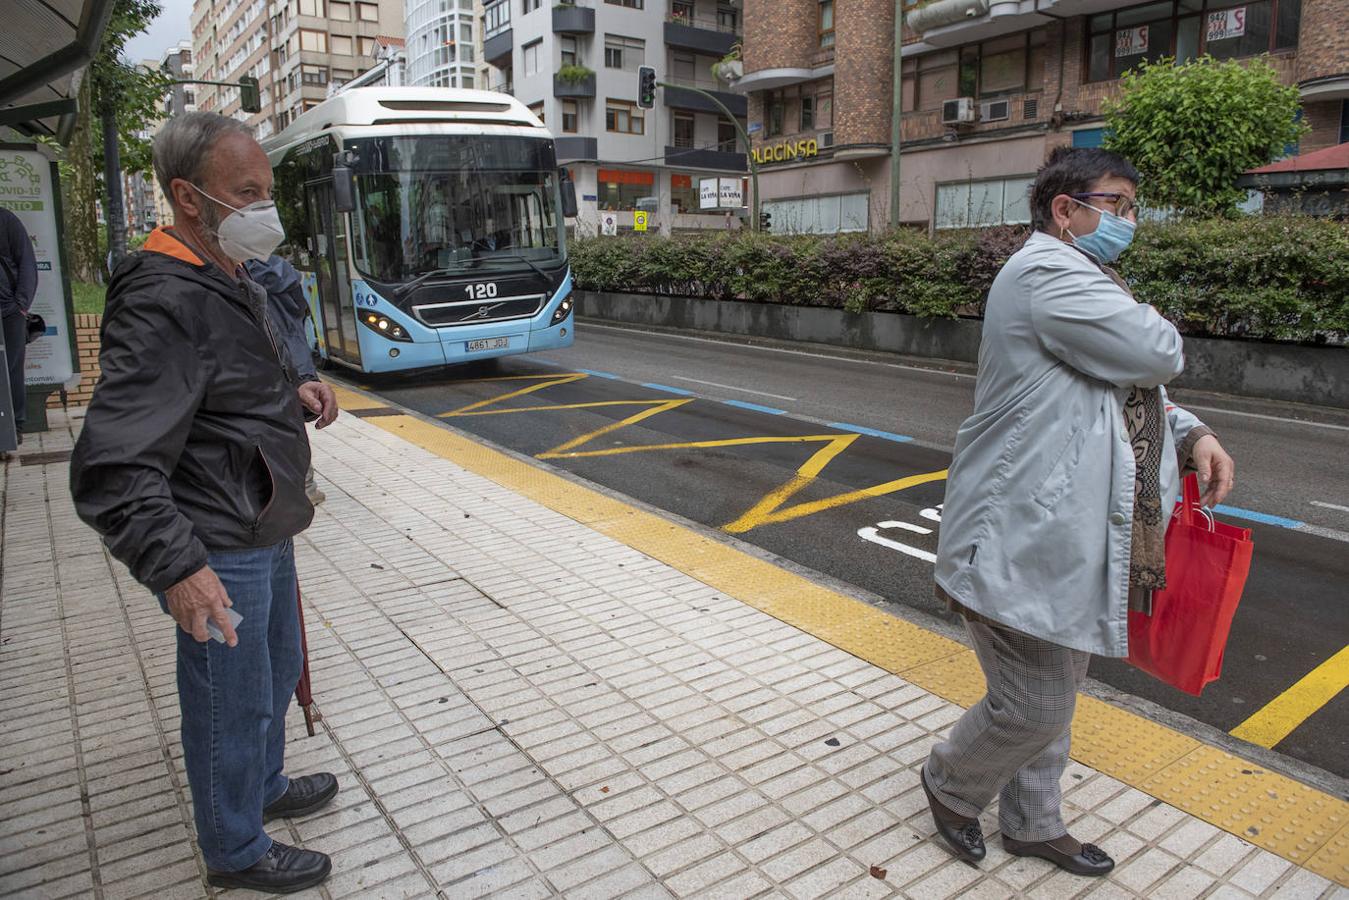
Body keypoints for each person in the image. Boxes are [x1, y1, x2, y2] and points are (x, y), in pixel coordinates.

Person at [921, 147, 1235, 877]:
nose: (1127, 220)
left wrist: (1192, 433)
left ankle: (1031, 822)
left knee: (1055, 689)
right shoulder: (1047, 274)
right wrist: (1147, 316)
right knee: (1031, 704)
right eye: (1116, 204)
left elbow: (1121, 389)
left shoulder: (1082, 278)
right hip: (1019, 532)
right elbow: (1154, 354)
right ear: (1066, 209)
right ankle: (949, 782)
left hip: (1067, 534)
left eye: (1129, 207)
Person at [70, 111, 340, 895]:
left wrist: (291, 389)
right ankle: (234, 847)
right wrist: (178, 567)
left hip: (262, 516)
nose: (266, 209)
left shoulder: (223, 270)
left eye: (267, 190)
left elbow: (218, 385)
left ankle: (261, 790)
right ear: (190, 198)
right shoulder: (163, 297)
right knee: (230, 696)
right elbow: (112, 464)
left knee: (278, 667)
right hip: (217, 535)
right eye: (246, 192)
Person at [246, 255, 325, 504]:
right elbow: (300, 316)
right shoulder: (286, 272)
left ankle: (296, 485)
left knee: (277, 420)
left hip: (269, 358)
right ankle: (307, 483)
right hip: (295, 354)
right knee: (294, 421)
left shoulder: (241, 279)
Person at [1, 205, 38, 441]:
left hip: (8, 311)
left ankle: (15, 426)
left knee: (11, 369)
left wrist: (21, 305)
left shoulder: (6, 220)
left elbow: (27, 263)